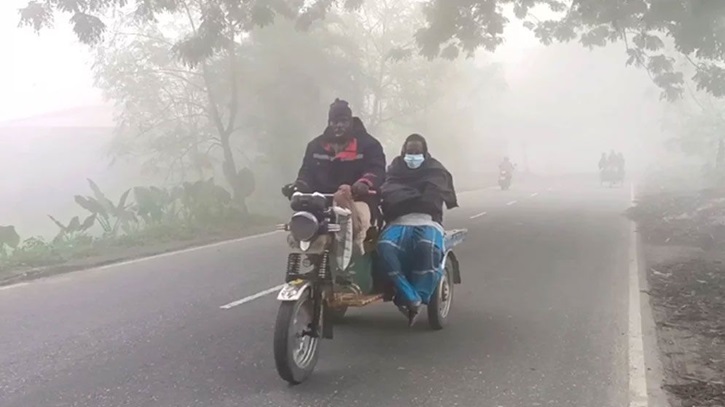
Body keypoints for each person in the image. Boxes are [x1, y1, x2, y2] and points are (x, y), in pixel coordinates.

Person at [283, 98, 386, 251]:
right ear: (329, 122)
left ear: (351, 121)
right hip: (321, 202)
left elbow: (377, 169)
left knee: (358, 225)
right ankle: (315, 262)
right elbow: (306, 172)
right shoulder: (315, 146)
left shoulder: (369, 144)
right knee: (303, 227)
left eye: (343, 121)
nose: (338, 125)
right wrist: (298, 187)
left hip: (358, 199)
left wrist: (365, 183)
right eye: (334, 121)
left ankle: (357, 260)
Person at [376, 134, 458, 326]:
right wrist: (416, 195)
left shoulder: (436, 170)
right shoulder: (394, 170)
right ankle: (412, 297)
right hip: (397, 222)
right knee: (384, 247)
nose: (413, 155)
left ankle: (420, 295)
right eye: (410, 152)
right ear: (404, 152)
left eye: (417, 152)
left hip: (428, 221)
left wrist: (402, 196)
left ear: (425, 153)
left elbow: (430, 200)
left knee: (427, 247)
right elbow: (388, 193)